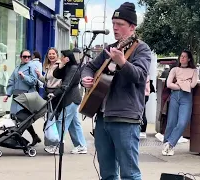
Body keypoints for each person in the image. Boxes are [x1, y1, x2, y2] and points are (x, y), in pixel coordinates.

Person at [81, 2, 151, 179]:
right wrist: (85, 79)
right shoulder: (109, 49)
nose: (115, 28)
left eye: (120, 24)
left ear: (132, 27)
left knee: (130, 173)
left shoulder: (141, 49)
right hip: (103, 117)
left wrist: (122, 62)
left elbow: (140, 76)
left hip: (125, 118)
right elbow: (89, 67)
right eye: (113, 24)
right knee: (107, 173)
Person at [44, 50, 87, 155]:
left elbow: (66, 85)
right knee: (74, 123)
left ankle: (58, 146)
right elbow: (56, 74)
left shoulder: (73, 69)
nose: (61, 58)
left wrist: (55, 93)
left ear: (68, 58)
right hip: (70, 99)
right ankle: (81, 146)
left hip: (71, 99)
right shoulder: (67, 67)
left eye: (63, 57)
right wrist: (61, 65)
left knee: (61, 122)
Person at [162, 50, 198, 156]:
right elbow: (169, 84)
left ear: (189, 59)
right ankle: (166, 144)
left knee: (182, 122)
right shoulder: (175, 69)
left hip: (186, 97)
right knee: (171, 122)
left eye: (184, 56)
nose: (182, 58)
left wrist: (179, 82)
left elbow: (193, 85)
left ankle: (170, 143)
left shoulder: (194, 71)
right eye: (181, 56)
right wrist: (184, 83)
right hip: (175, 96)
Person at [4, 50, 41, 146]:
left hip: (26, 97)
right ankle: (34, 137)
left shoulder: (31, 66)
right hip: (17, 97)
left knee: (23, 118)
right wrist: (7, 94)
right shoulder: (17, 67)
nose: (27, 58)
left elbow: (33, 81)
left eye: (29, 56)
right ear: (21, 57)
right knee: (16, 118)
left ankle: (16, 137)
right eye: (24, 56)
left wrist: (24, 77)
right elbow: (11, 81)